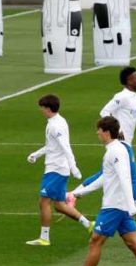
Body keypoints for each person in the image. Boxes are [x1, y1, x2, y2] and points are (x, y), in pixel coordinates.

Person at [54, 116, 136, 266]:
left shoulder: (115, 151)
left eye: (99, 130)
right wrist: (78, 192)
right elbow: (105, 178)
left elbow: (125, 178)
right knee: (134, 243)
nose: (97, 133)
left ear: (107, 132)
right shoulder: (115, 150)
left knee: (95, 240)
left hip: (114, 207)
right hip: (121, 206)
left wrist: (132, 207)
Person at [25, 93, 90, 246]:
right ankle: (89, 224)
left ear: (48, 108)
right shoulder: (56, 122)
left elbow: (65, 146)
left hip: (56, 169)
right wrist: (37, 154)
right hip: (57, 167)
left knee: (43, 202)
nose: (41, 111)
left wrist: (73, 166)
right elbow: (52, 145)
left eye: (42, 108)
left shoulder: (56, 125)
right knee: (60, 206)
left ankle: (44, 238)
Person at [98, 66, 136, 221]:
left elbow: (129, 119)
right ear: (129, 81)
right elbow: (104, 112)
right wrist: (115, 128)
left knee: (105, 175)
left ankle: (74, 194)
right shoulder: (122, 96)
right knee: (132, 177)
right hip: (121, 142)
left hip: (128, 142)